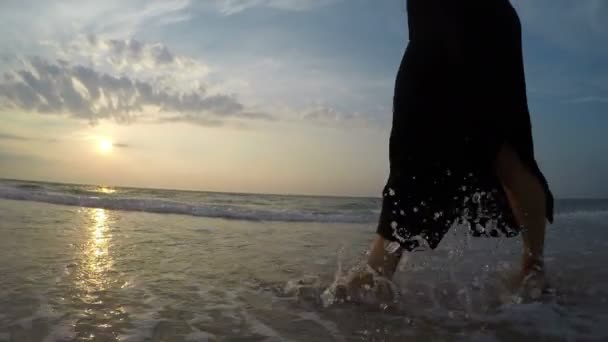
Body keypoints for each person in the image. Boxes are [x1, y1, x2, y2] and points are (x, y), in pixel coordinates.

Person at [338, 0, 554, 299]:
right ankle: (375, 273)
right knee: (413, 145)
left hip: (480, 21)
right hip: (433, 29)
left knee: (504, 145)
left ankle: (534, 269)